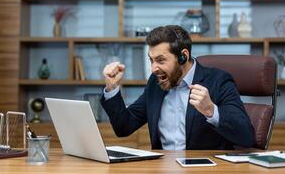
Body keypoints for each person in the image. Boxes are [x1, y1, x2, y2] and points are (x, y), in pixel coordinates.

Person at [100, 25, 255, 150]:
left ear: (183, 56)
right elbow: (124, 127)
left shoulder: (218, 81)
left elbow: (247, 137)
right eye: (151, 60)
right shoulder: (156, 83)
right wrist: (112, 88)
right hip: (162, 168)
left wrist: (211, 111)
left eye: (160, 60)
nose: (154, 69)